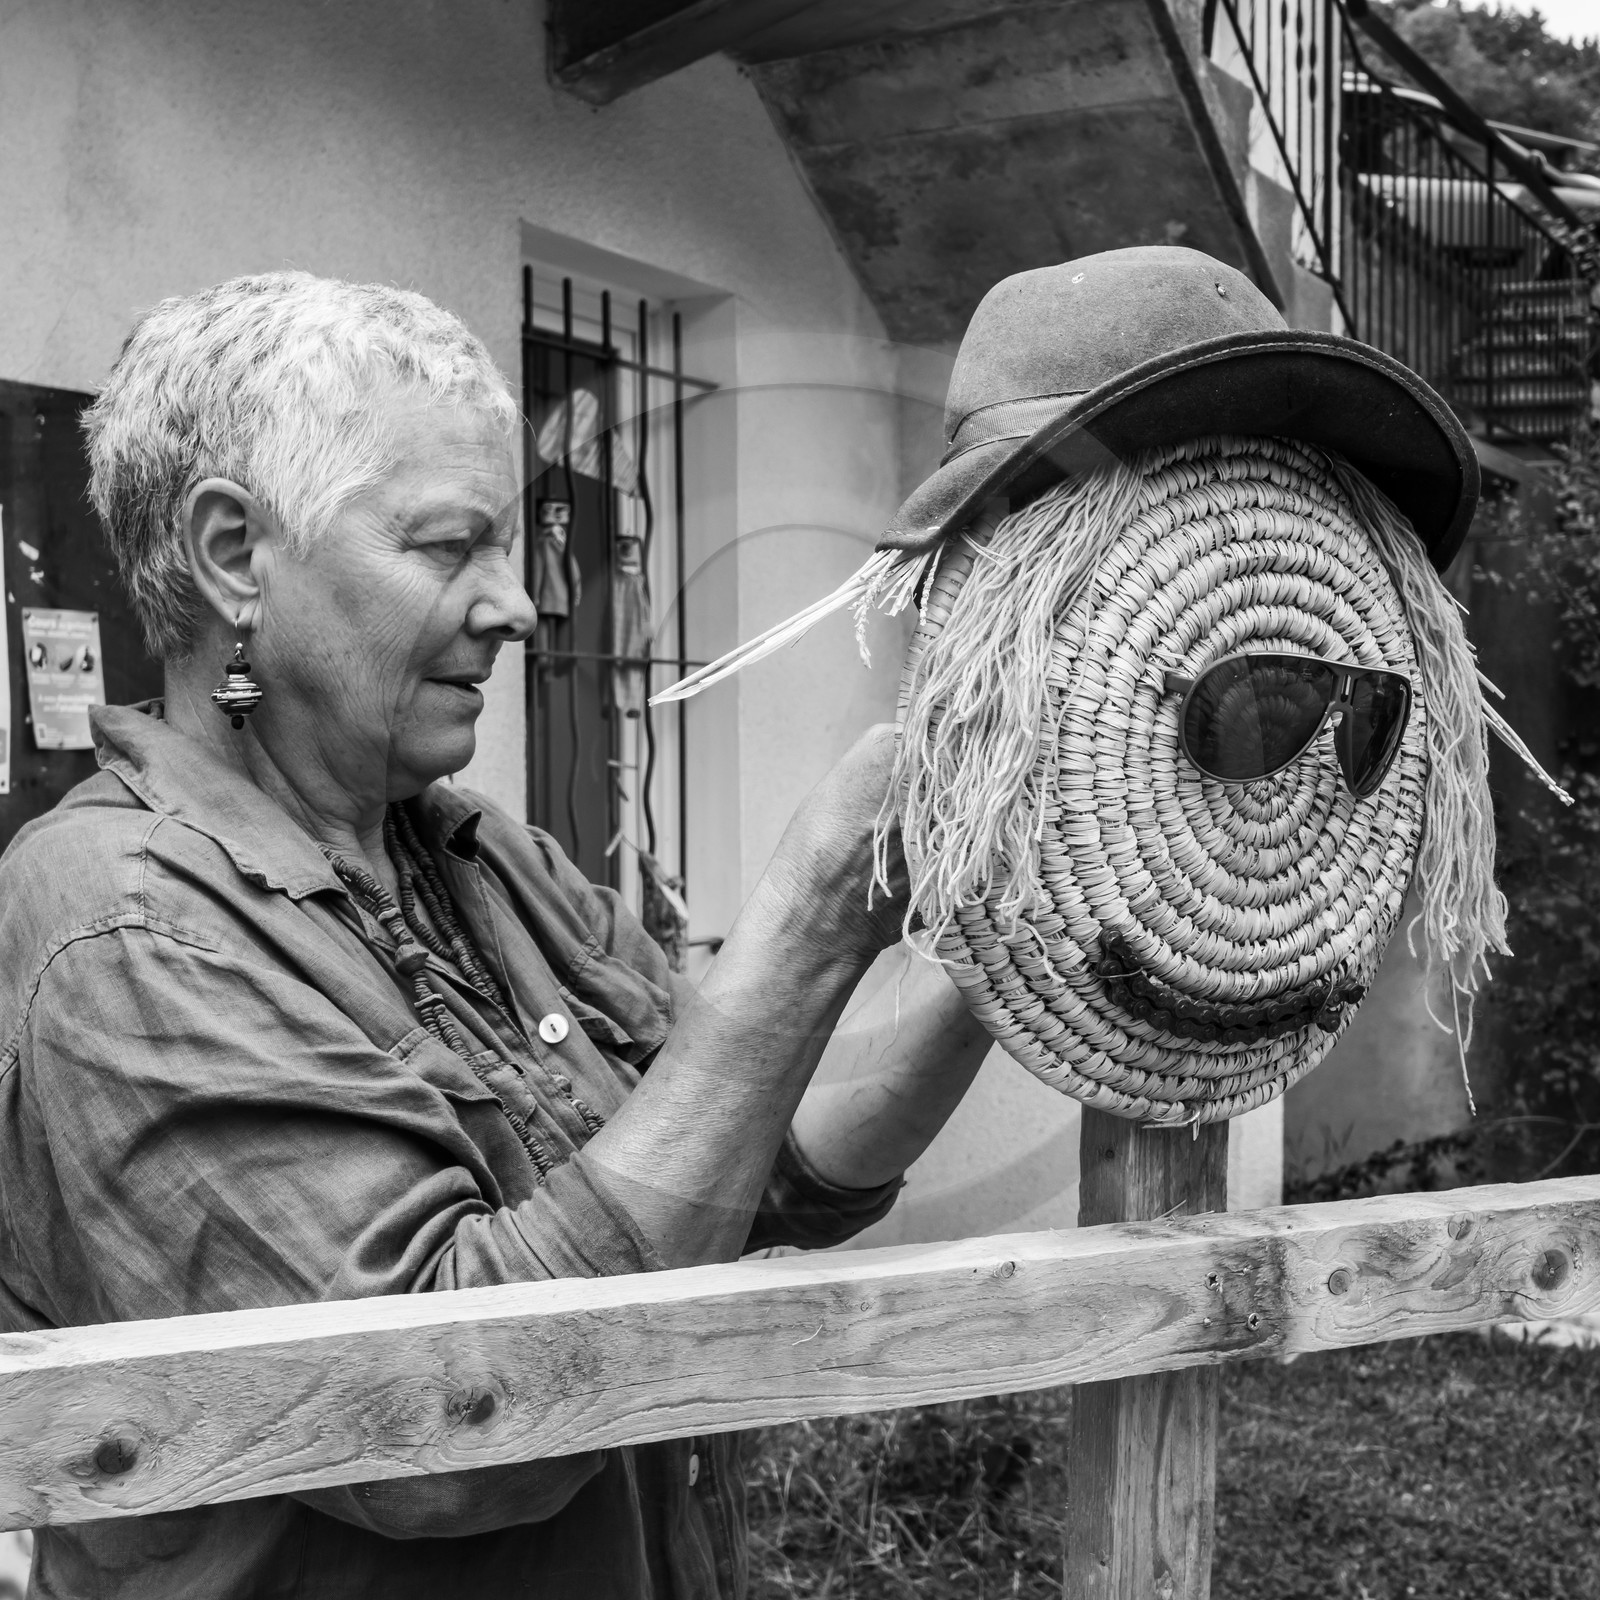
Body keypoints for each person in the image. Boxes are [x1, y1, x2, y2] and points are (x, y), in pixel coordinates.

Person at [0, 273, 991, 1599]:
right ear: (237, 556)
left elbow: (767, 1156)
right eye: (448, 545)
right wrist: (811, 922)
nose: (519, 605)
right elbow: (449, 1431)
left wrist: (1010, 946)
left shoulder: (475, 855)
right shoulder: (122, 932)